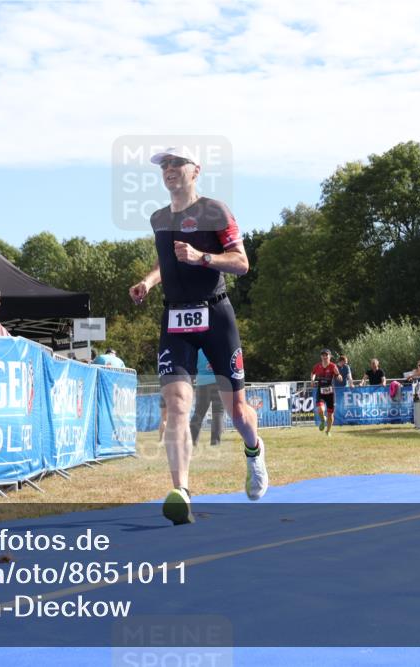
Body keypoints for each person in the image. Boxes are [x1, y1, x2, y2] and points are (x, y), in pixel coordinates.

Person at [129, 146, 268, 525]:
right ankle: (181, 493)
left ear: (196, 170)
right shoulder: (158, 218)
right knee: (176, 405)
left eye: (177, 164)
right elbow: (167, 260)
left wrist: (202, 257)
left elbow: (241, 262)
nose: (169, 169)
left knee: (238, 412)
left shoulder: (215, 211)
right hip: (175, 318)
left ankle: (254, 452)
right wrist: (149, 280)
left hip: (215, 313)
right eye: (164, 165)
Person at [190, 350, 224, 447]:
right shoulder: (219, 345)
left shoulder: (198, 349)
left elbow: (192, 365)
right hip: (219, 382)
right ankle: (215, 442)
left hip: (202, 383)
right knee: (218, 413)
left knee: (198, 412)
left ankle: (192, 441)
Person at [311, 349, 342, 435]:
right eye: (323, 355)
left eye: (326, 355)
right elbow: (313, 373)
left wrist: (339, 377)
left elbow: (337, 374)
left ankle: (328, 431)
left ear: (330, 356)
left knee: (330, 414)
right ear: (321, 356)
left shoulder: (333, 366)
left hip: (330, 393)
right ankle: (322, 420)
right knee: (320, 409)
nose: (324, 357)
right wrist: (312, 380)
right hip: (320, 391)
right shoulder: (317, 366)